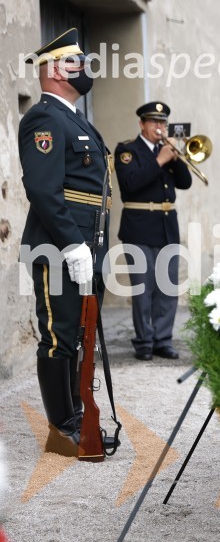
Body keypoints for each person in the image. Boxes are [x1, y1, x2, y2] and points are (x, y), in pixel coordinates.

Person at [18, 28, 109, 456]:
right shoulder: (44, 118)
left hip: (85, 244)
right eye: (75, 62)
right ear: (55, 70)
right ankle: (62, 426)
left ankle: (79, 414)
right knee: (59, 334)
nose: (84, 69)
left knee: (80, 332)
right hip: (59, 246)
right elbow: (43, 189)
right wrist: (73, 245)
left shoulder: (73, 117)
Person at [115, 102, 192, 361]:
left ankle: (162, 340)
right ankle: (144, 342)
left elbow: (185, 182)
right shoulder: (127, 150)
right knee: (143, 289)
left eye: (163, 123)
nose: (160, 128)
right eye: (154, 122)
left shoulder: (167, 151)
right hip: (138, 227)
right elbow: (130, 184)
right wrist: (160, 160)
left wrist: (178, 155)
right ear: (142, 124)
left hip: (166, 226)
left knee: (167, 288)